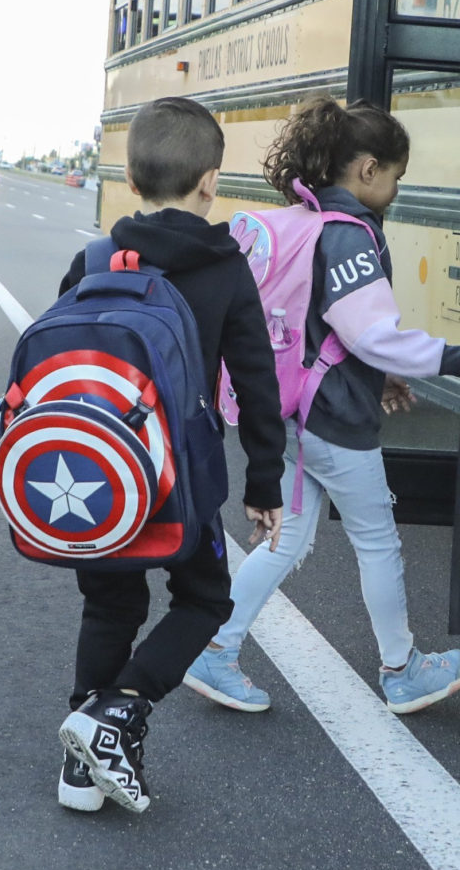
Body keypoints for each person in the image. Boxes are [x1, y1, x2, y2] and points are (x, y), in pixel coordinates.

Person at [184, 97, 460, 715]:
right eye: (396, 175)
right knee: (377, 542)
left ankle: (215, 648)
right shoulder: (350, 238)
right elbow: (369, 333)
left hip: (289, 413)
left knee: (285, 542)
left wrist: (382, 376)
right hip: (334, 424)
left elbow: (327, 330)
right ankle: (403, 670)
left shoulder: (304, 220)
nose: (397, 189)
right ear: (367, 169)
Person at [50, 96, 284, 814]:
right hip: (180, 480)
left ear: (128, 175)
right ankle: (117, 710)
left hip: (98, 477)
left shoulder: (93, 258)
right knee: (207, 597)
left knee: (110, 601)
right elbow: (256, 382)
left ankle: (80, 771)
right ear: (211, 181)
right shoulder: (226, 269)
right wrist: (265, 482)